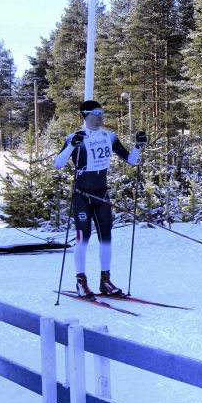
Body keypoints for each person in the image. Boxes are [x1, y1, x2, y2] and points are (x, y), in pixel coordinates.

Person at [54, 100, 147, 298]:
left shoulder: (109, 136)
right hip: (82, 195)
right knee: (83, 238)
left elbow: (131, 160)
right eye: (95, 112)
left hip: (101, 194)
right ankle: (81, 282)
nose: (100, 115)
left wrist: (138, 147)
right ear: (85, 115)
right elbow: (58, 163)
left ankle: (105, 280)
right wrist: (71, 145)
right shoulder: (76, 136)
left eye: (101, 112)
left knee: (106, 237)